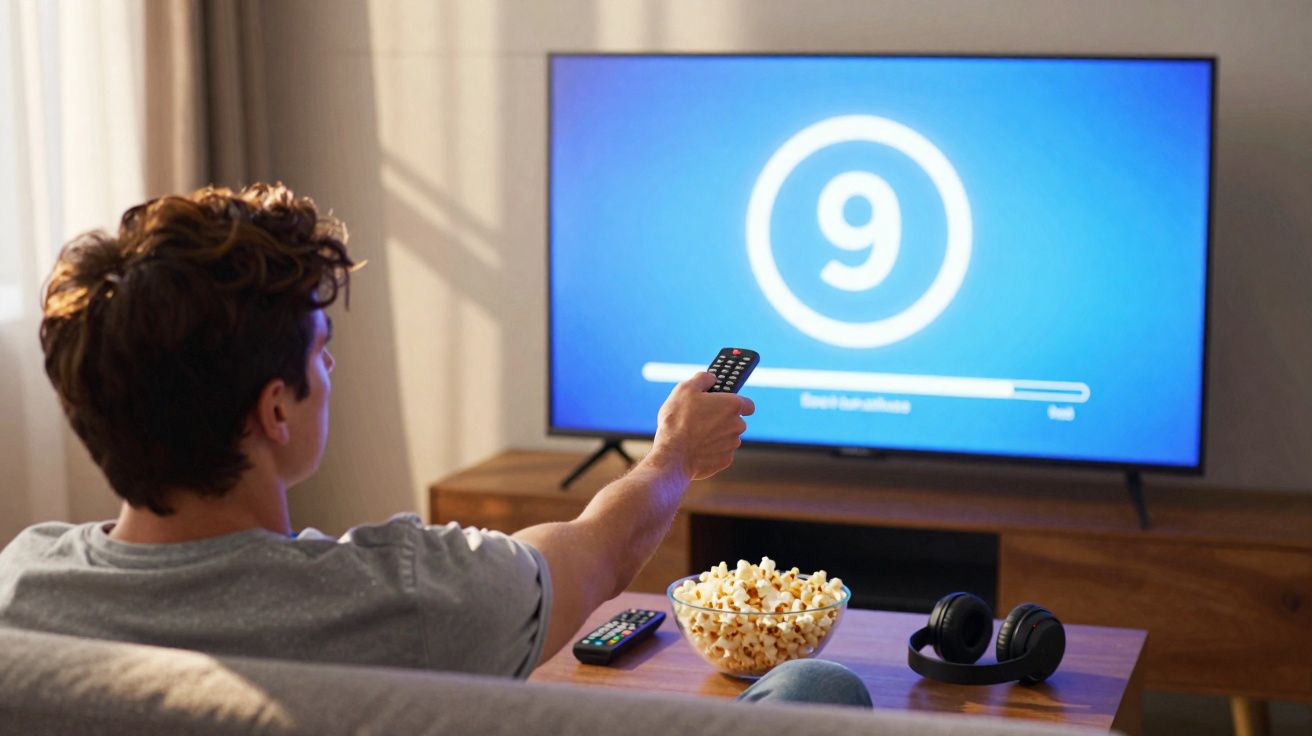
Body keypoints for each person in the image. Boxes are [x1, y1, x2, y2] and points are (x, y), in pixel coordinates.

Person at [0, 183, 870, 707]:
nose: (330, 365)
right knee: (817, 689)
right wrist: (673, 457)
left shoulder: (19, 592)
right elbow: (594, 556)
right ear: (275, 411)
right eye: (319, 351)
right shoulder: (405, 599)